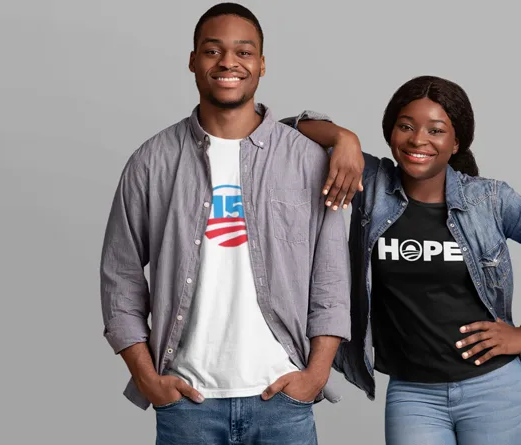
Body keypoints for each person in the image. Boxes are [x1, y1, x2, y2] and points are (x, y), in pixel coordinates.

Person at [284, 75, 521, 445]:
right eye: (406, 126)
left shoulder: (488, 200)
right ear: (390, 132)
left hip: (494, 390)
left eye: (436, 130)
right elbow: (287, 131)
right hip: (414, 393)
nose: (418, 140)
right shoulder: (371, 183)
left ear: (456, 141)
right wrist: (344, 138)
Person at [99, 3, 355, 444]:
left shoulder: (309, 161)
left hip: (283, 400)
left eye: (244, 51)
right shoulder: (151, 162)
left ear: (261, 64)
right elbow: (120, 278)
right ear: (193, 60)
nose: (228, 63)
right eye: (213, 50)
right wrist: (146, 378)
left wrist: (314, 376)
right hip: (187, 404)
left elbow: (331, 280)